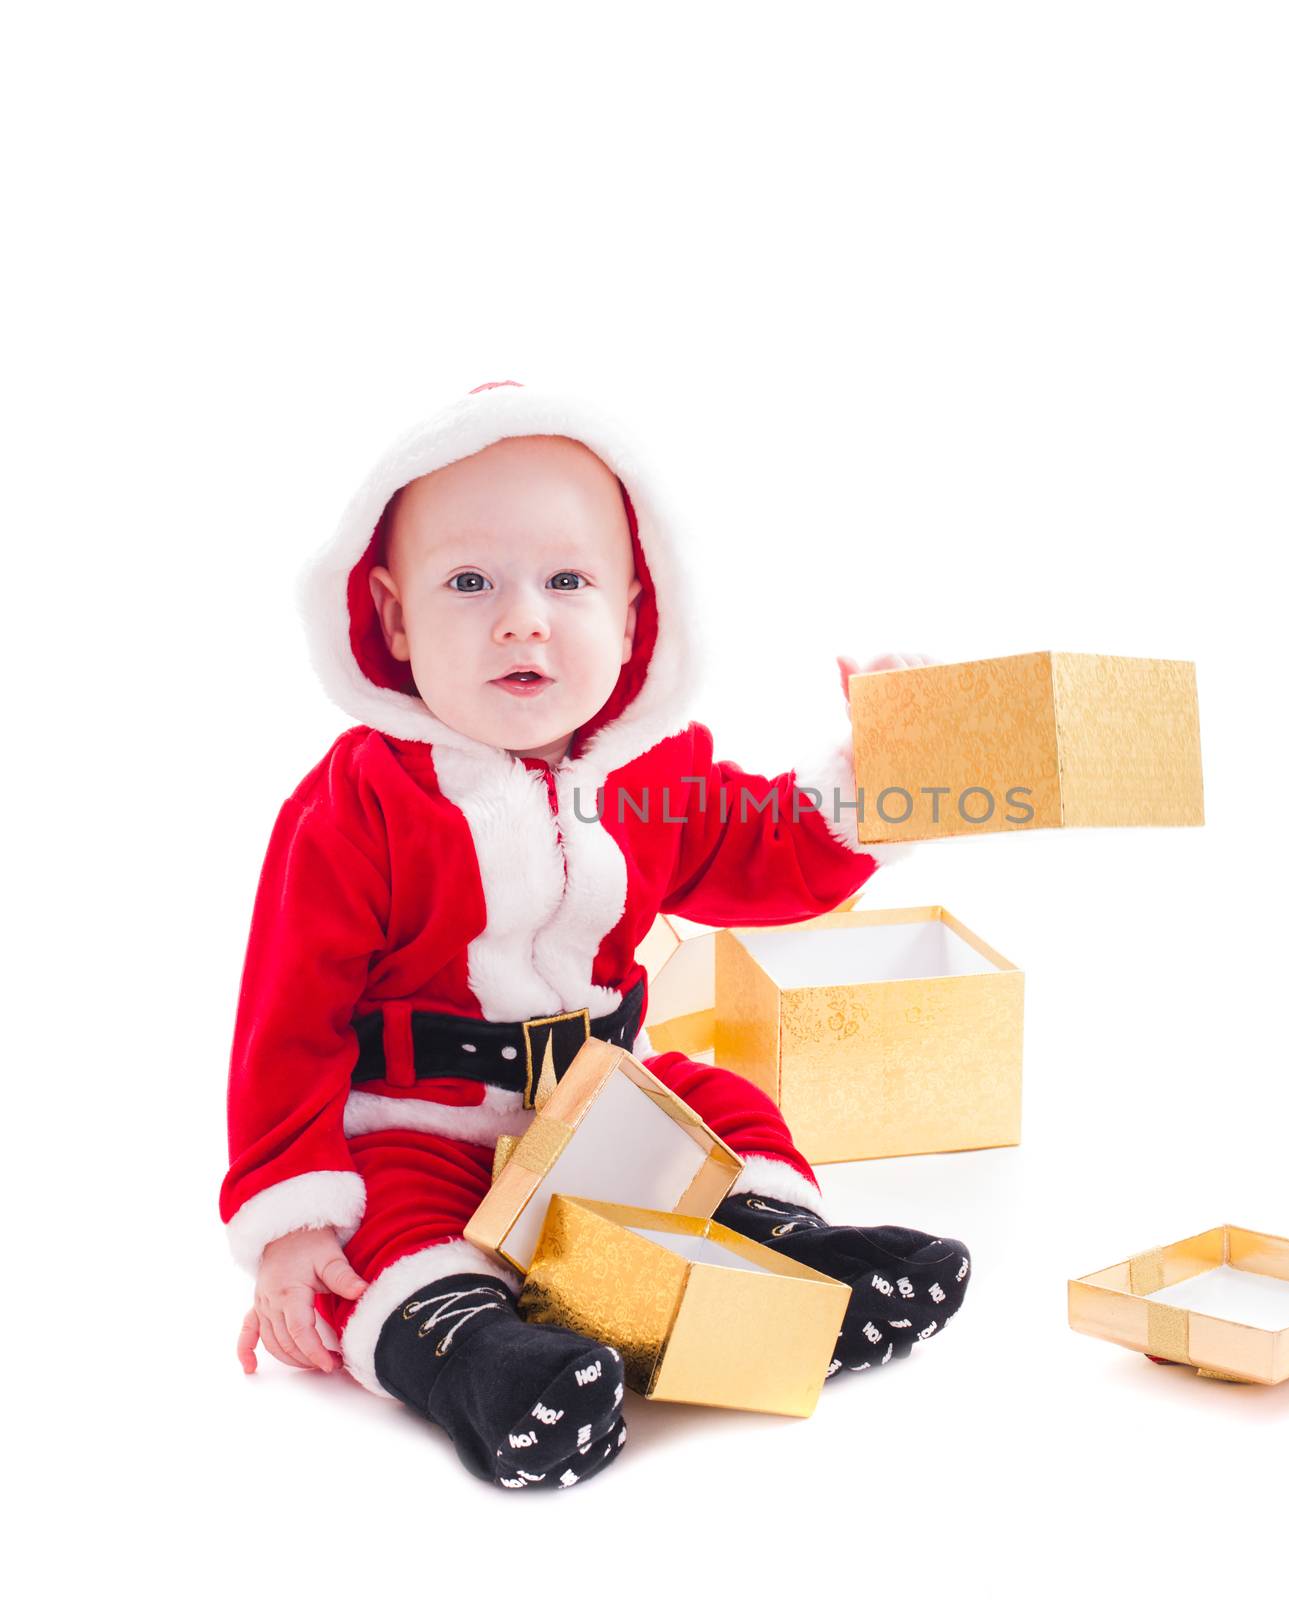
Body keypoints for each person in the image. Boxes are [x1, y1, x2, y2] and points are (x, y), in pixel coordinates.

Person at [222, 381, 971, 1490]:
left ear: (631, 615)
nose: (522, 617)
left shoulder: (653, 778)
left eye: (567, 581)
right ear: (390, 617)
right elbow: (286, 1021)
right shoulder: (356, 806)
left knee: (721, 1106)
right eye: (468, 582)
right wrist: (288, 1220)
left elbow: (771, 854)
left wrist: (881, 774)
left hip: (603, 1108)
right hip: (423, 1123)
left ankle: (794, 1261)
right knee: (384, 1224)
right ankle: (475, 1356)